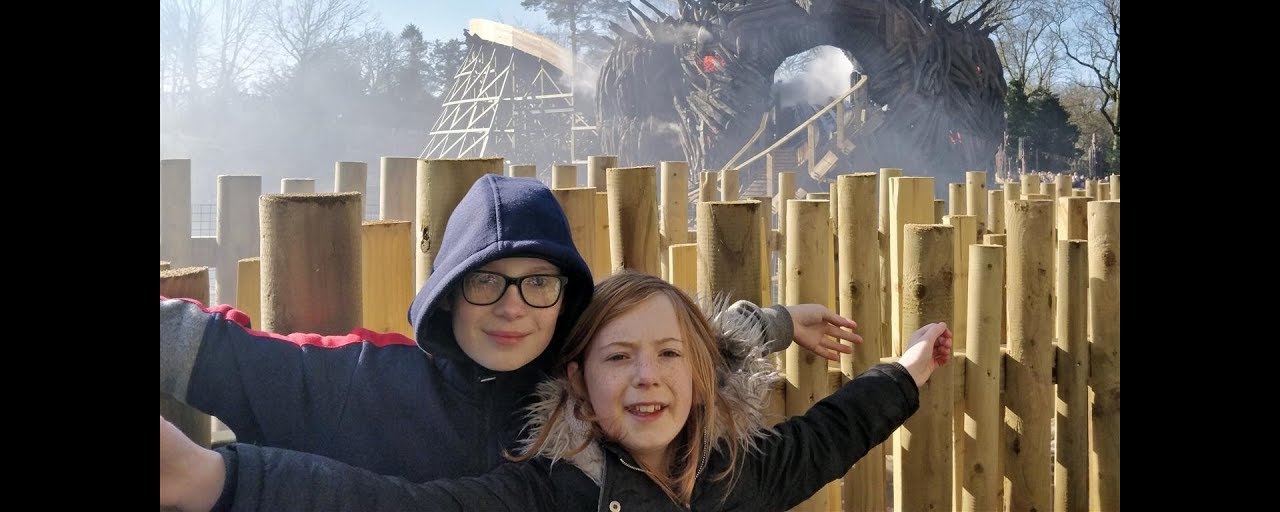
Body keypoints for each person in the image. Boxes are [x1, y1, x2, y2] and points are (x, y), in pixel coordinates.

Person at [160, 173, 862, 482]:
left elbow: (692, 349)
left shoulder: (589, 391)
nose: (512, 306)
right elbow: (215, 350)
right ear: (450, 294)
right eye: (486, 279)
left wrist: (777, 321)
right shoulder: (365, 381)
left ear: (564, 299)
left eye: (539, 282)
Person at [160, 271, 952, 511]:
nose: (647, 378)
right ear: (576, 382)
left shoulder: (742, 467)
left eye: (670, 357)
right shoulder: (551, 496)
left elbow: (838, 428)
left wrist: (911, 365)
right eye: (618, 361)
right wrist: (214, 479)